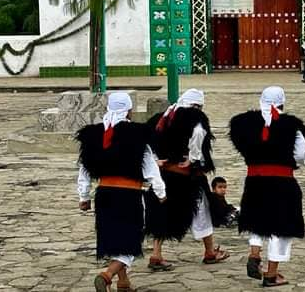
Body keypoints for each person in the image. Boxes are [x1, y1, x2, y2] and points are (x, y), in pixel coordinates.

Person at [76, 91, 167, 292]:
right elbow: (150, 166)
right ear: (129, 111)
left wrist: (84, 197)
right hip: (128, 195)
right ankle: (106, 275)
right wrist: (161, 192)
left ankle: (123, 283)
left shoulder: (92, 135)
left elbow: (84, 168)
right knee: (132, 240)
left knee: (115, 239)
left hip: (104, 194)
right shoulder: (138, 134)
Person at [229, 86, 305, 287]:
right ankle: (272, 273)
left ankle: (255, 253)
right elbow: (301, 155)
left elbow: (241, 146)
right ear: (282, 101)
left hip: (255, 178)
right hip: (282, 181)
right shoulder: (291, 126)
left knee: (256, 217)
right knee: (281, 225)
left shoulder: (243, 124)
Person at [147, 89, 229, 268]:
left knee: (164, 211)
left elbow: (149, 140)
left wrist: (155, 160)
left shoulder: (164, 117)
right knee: (203, 210)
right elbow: (198, 135)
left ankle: (156, 254)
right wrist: (193, 158)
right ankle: (209, 251)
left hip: (166, 173)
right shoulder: (195, 118)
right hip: (188, 175)